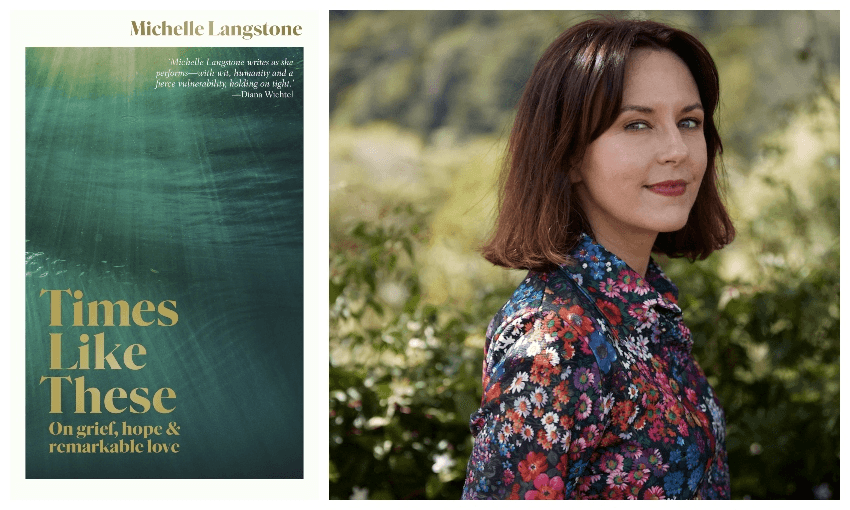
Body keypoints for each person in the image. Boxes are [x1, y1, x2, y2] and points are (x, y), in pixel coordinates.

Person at [462, 17, 735, 500]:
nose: (677, 149)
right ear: (568, 155)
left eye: (689, 121)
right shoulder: (556, 341)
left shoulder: (644, 313)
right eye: (637, 124)